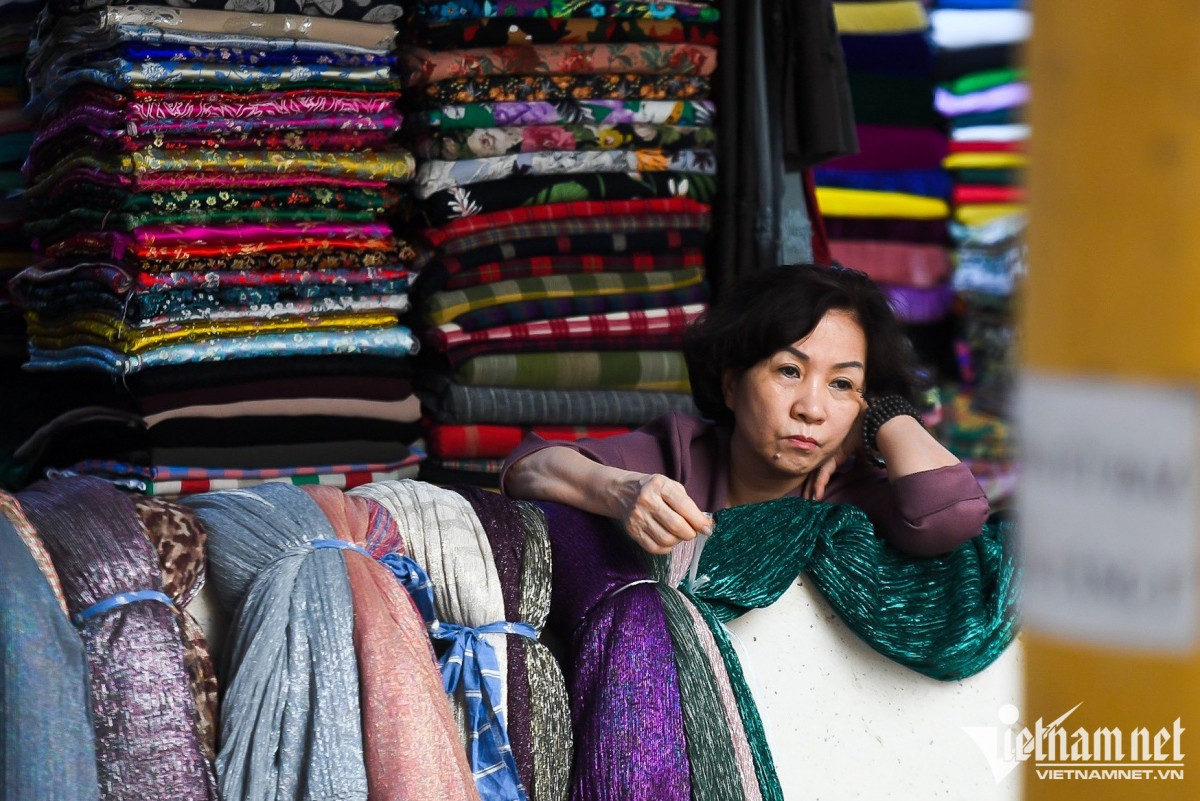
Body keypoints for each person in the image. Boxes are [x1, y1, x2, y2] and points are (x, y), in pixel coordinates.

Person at [501, 264, 989, 558]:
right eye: (789, 371)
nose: (812, 409)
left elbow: (951, 515)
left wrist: (884, 416)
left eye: (842, 384)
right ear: (732, 384)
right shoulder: (680, 456)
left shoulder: (855, 493)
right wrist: (619, 492)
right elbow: (528, 467)